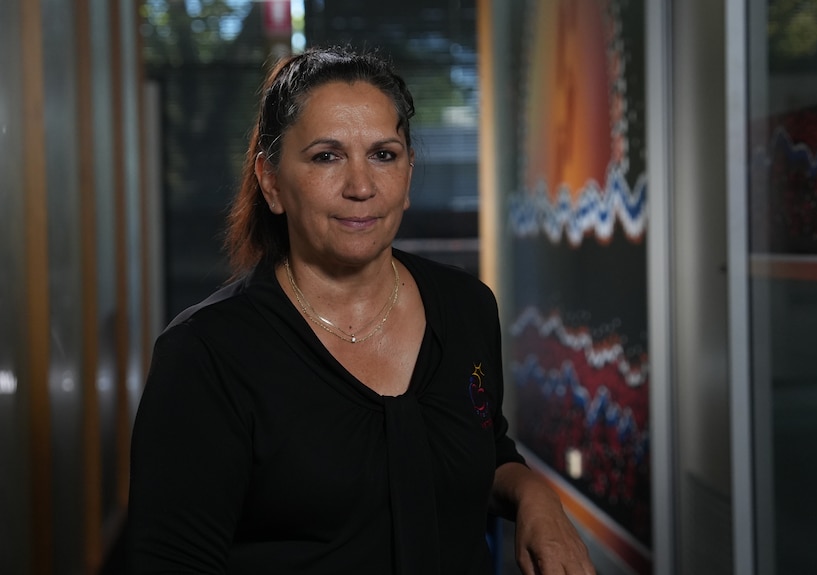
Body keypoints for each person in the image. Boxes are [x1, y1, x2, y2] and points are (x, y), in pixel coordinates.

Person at [127, 45, 595, 575]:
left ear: (409, 173)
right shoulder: (207, 356)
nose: (361, 187)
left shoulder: (466, 308)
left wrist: (533, 492)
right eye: (327, 156)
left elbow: (474, 451)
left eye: (384, 154)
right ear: (272, 181)